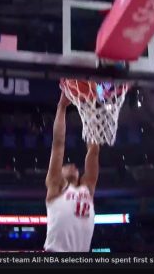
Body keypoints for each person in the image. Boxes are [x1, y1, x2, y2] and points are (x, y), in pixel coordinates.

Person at [44, 92, 100, 252]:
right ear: (59, 173)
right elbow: (58, 144)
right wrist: (61, 107)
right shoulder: (56, 185)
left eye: (74, 166)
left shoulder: (87, 187)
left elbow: (94, 150)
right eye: (66, 165)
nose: (72, 166)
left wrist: (89, 111)